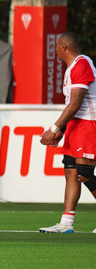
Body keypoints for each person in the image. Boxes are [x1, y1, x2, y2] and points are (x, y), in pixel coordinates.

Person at [39, 32, 96, 233]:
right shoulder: (72, 68)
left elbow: (75, 104)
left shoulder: (81, 64)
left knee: (85, 174)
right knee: (71, 171)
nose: (55, 51)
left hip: (89, 123)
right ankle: (66, 223)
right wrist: (63, 130)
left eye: (56, 47)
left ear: (64, 47)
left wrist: (54, 128)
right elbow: (71, 106)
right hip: (76, 125)